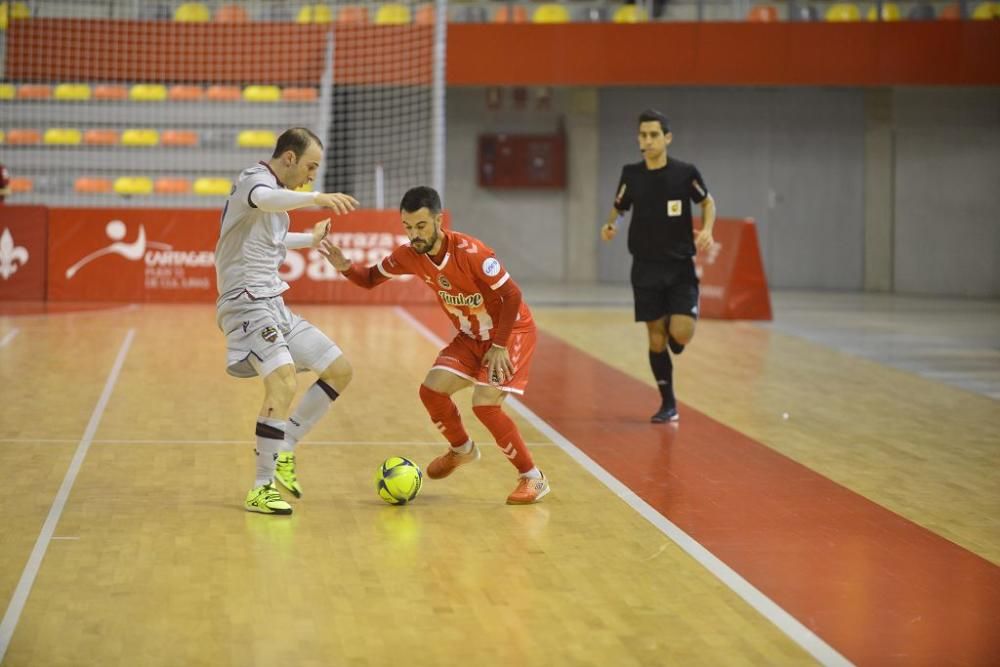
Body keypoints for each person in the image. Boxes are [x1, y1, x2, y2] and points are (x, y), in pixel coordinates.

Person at [318, 186, 550, 505]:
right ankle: (462, 450)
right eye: (408, 227)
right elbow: (370, 279)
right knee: (431, 391)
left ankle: (532, 478)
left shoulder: (472, 252)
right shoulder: (408, 255)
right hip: (471, 337)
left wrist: (499, 345)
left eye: (421, 226)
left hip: (510, 334)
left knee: (485, 404)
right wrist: (344, 265)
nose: (414, 234)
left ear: (439, 220)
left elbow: (512, 296)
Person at [215, 127, 359, 515]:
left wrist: (310, 241)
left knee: (339, 370)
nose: (313, 175)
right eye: (311, 167)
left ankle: (286, 447)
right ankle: (261, 488)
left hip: (274, 304)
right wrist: (315, 198)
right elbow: (265, 199)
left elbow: (274, 239)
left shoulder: (274, 207)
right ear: (290, 158)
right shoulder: (254, 181)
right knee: (282, 379)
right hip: (245, 304)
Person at [600, 109, 716, 424]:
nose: (647, 140)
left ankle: (680, 330)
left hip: (679, 267)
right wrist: (611, 225)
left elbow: (707, 202)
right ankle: (668, 403)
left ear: (667, 138)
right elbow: (619, 208)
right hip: (645, 267)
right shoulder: (631, 174)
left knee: (680, 334)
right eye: (642, 135)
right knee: (655, 338)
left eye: (653, 135)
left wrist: (706, 230)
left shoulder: (685, 173)